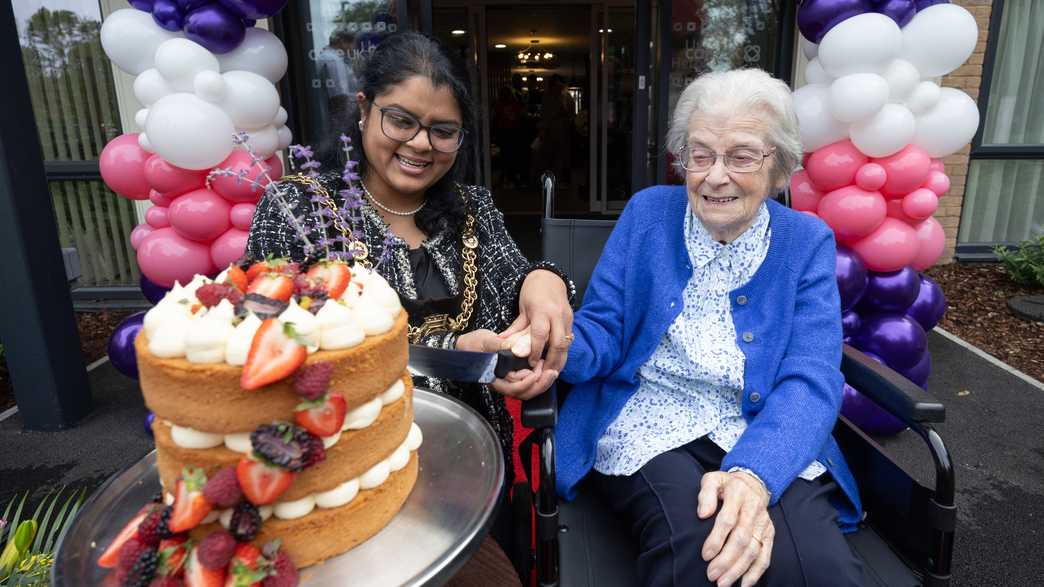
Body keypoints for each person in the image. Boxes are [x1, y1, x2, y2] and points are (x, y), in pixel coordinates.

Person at [552, 69, 864, 586]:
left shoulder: (806, 240)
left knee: (818, 570)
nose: (715, 176)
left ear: (780, 168)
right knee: (700, 560)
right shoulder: (649, 213)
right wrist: (557, 343)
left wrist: (754, 474)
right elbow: (604, 328)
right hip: (649, 418)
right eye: (700, 155)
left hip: (763, 425)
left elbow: (811, 377)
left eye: (741, 156)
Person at [246, 32, 575, 494]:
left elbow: (515, 280)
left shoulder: (472, 207)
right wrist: (451, 353)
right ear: (363, 110)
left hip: (473, 461)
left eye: (443, 131)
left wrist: (545, 281)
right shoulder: (298, 210)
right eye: (401, 121)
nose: (421, 144)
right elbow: (270, 344)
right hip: (348, 465)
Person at [316, 28, 359, 122]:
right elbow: (340, 97)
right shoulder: (334, 60)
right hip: (342, 119)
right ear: (342, 42)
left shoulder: (328, 56)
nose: (353, 48)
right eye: (352, 43)